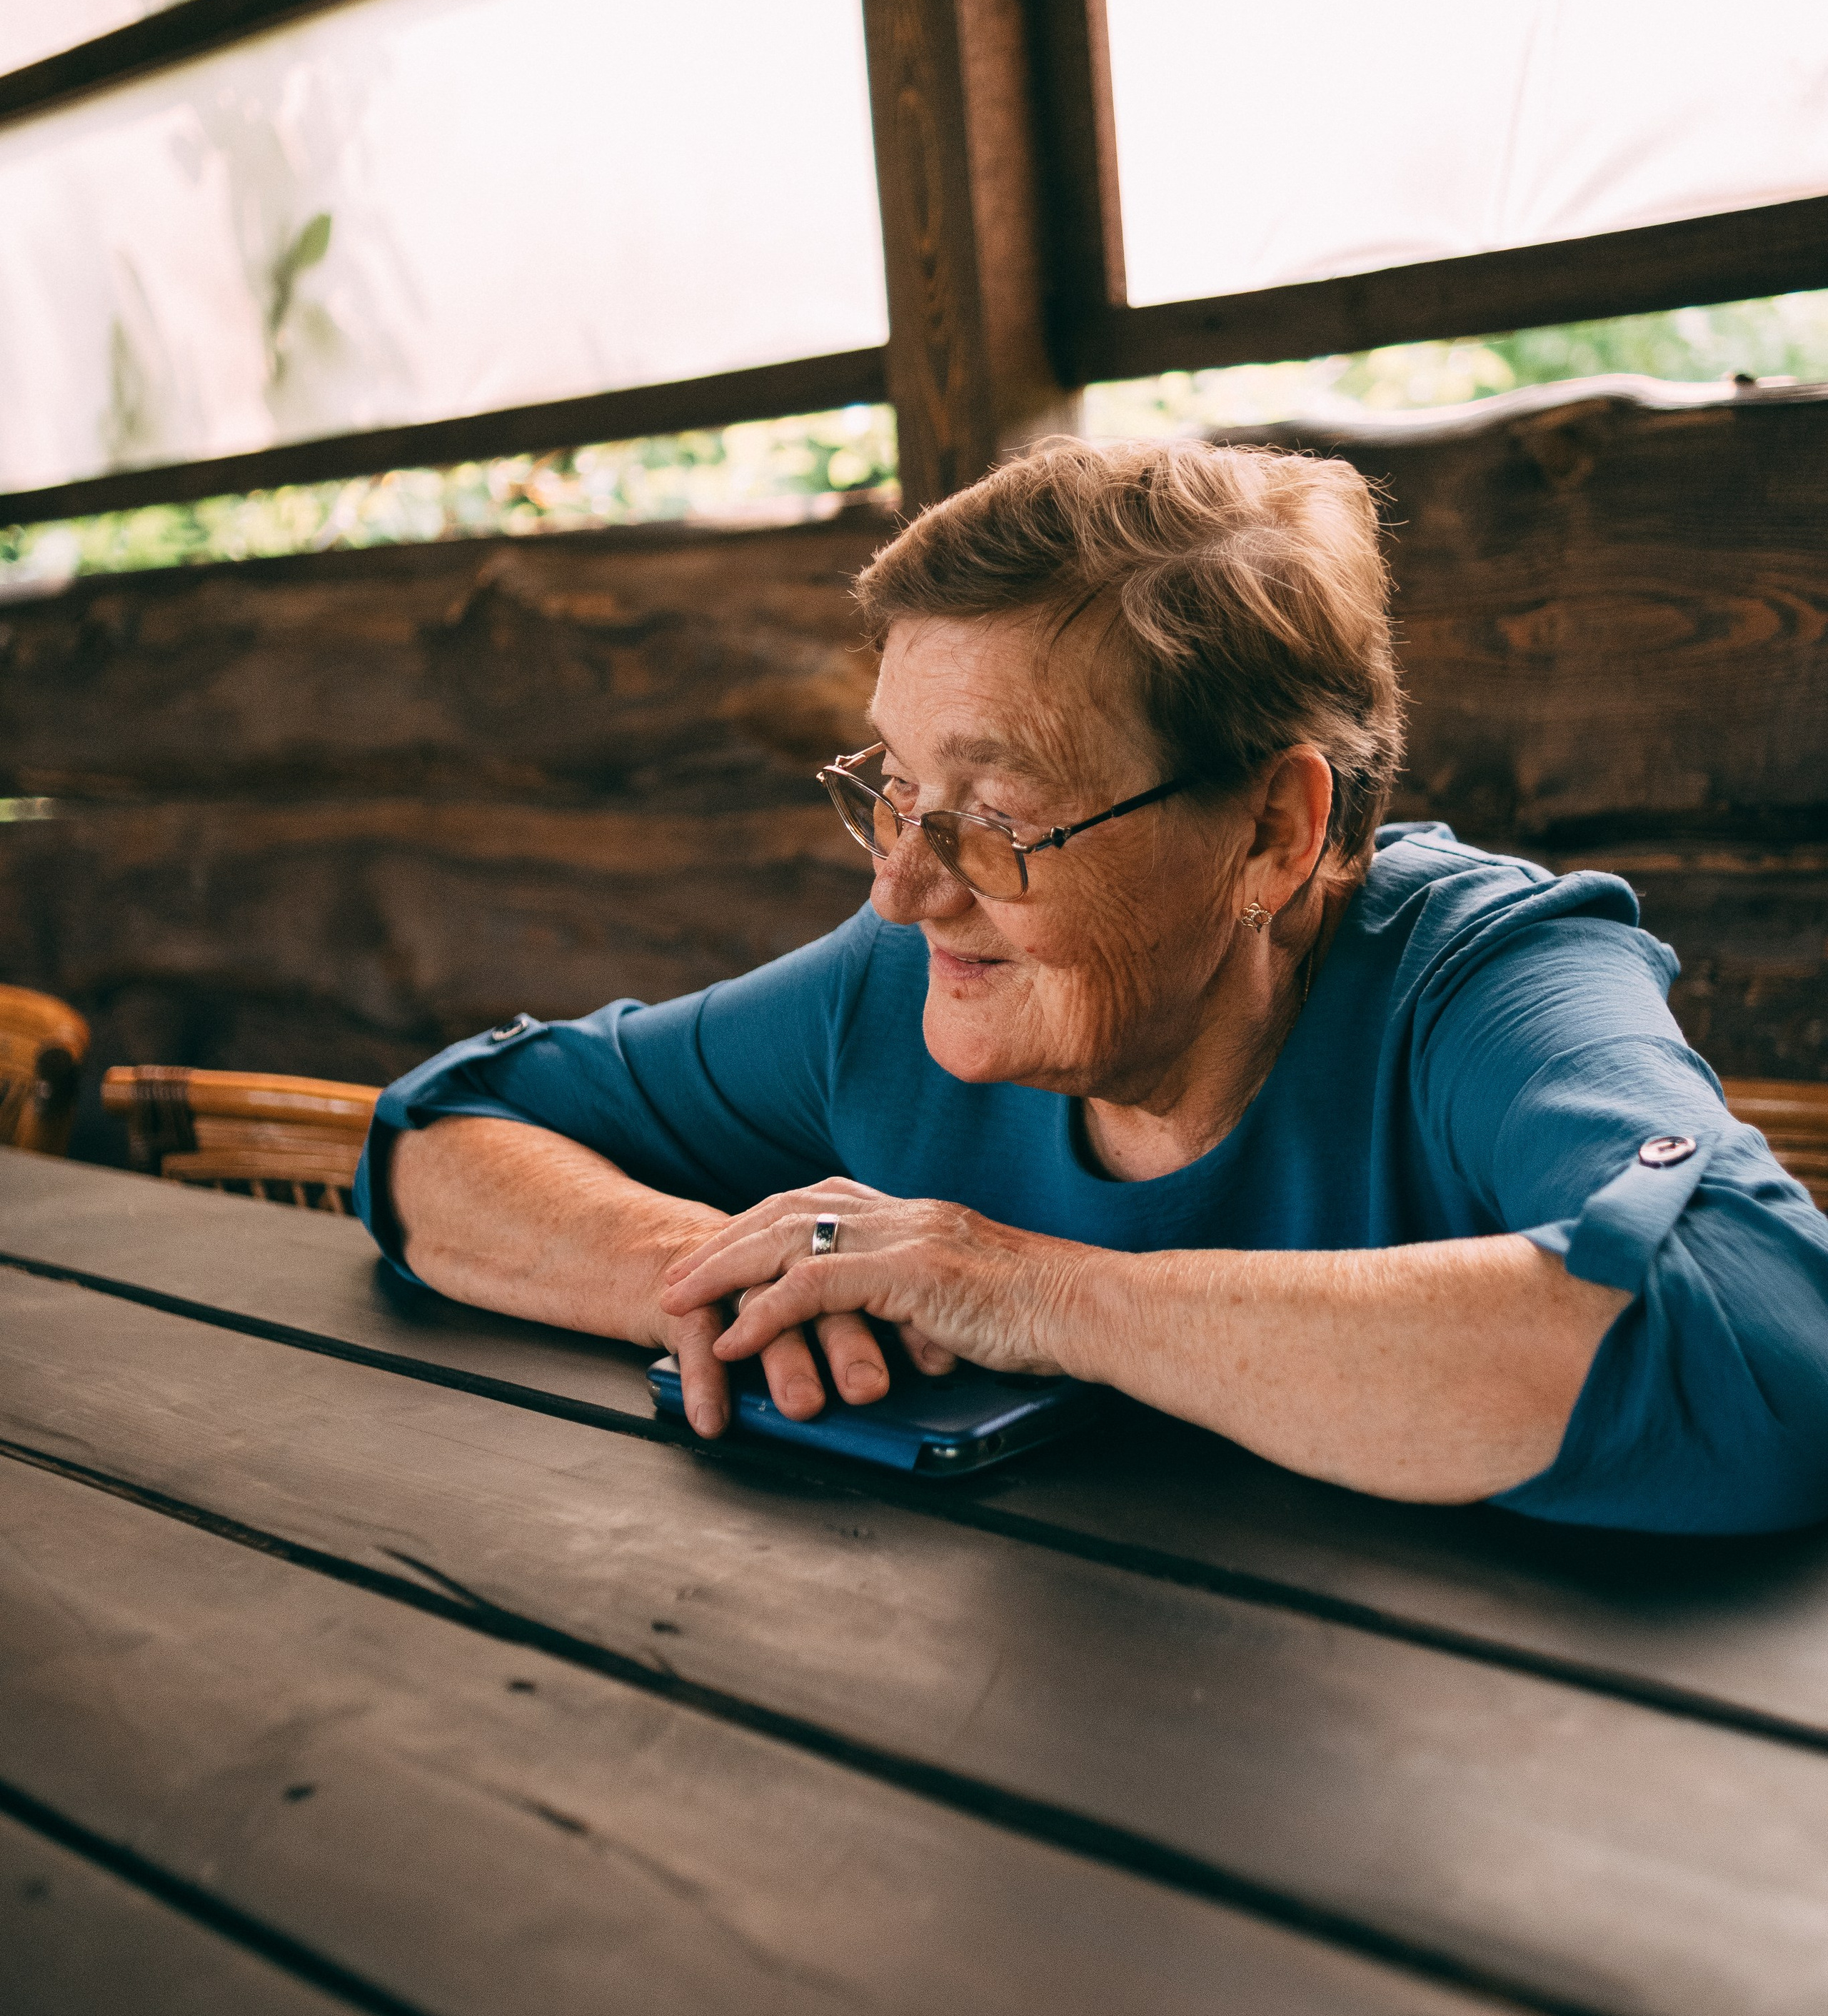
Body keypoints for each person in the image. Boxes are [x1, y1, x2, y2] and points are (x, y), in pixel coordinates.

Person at [355, 438, 1828, 1533]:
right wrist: (721, 1279)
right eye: (895, 787)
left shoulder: (1486, 981)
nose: (903, 888)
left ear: (1274, 831)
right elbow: (445, 1130)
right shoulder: (899, 984)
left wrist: (1027, 1291)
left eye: (997, 815)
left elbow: (1766, 1339)